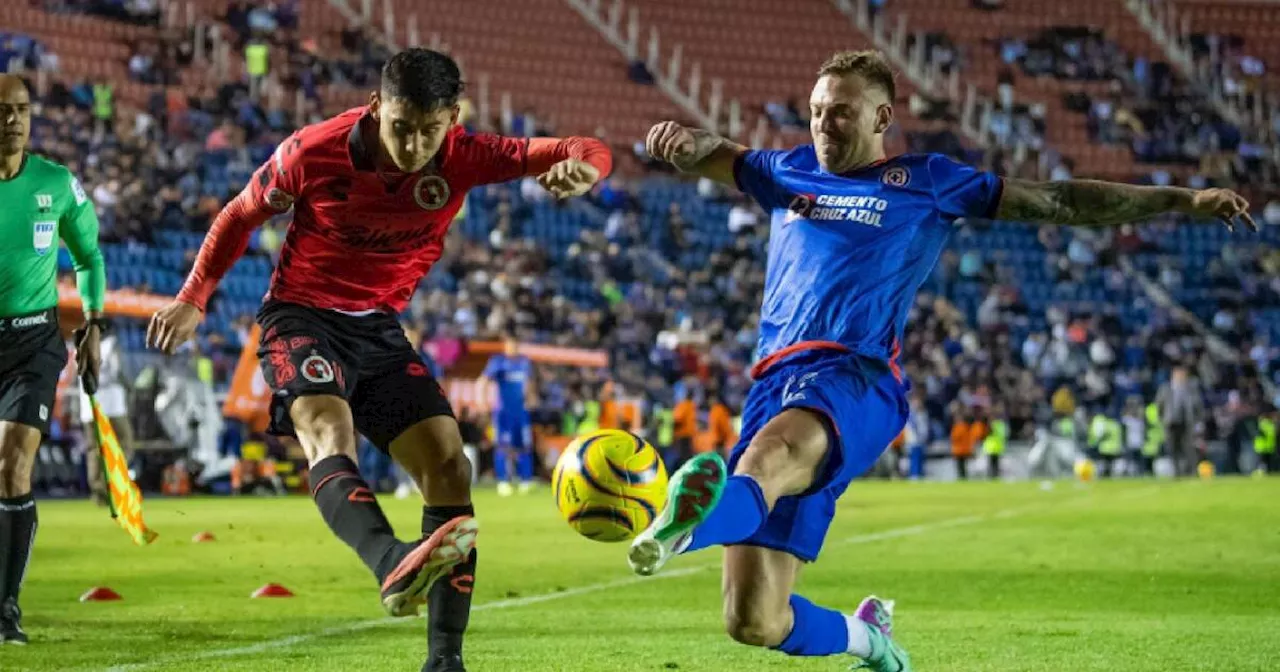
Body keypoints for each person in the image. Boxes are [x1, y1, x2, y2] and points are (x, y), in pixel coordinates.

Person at [627, 49, 1254, 671]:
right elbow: (711, 151)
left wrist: (1180, 200)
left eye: (842, 112)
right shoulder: (783, 171)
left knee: (767, 461)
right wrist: (680, 140)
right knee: (754, 621)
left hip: (856, 375)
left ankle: (681, 524)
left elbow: (1058, 201)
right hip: (772, 384)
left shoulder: (926, 181)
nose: (824, 123)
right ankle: (867, 637)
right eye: (817, 111)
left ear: (881, 119)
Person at [146, 49, 610, 672]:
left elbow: (584, 147)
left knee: (450, 464)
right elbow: (239, 214)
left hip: (378, 329)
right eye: (400, 126)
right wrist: (192, 298)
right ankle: (391, 561)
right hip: (299, 316)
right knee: (326, 430)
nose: (413, 144)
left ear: (453, 117)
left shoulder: (467, 155)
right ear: (375, 107)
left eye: (429, 129)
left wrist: (586, 171)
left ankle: (444, 659)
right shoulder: (313, 151)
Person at [0, 74, 105, 644]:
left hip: (34, 341)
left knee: (12, 466)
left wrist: (93, 323)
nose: (12, 120)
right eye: (1, 110)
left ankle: (5, 608)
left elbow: (88, 255)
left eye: (20, 110)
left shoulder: (57, 183)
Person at [78, 323, 133, 507]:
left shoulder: (80, 345)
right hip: (113, 405)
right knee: (124, 444)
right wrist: (130, 387)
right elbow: (119, 372)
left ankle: (98, 491)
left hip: (89, 406)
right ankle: (115, 485)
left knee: (94, 450)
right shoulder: (111, 344)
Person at [479, 336, 536, 496]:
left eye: (516, 345)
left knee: (525, 446)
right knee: (503, 446)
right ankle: (503, 482)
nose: (513, 348)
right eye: (510, 345)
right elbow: (483, 380)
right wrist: (483, 402)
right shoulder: (498, 362)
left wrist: (531, 398)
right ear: (506, 346)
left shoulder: (525, 362)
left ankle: (526, 481)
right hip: (504, 411)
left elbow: (529, 383)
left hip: (521, 411)